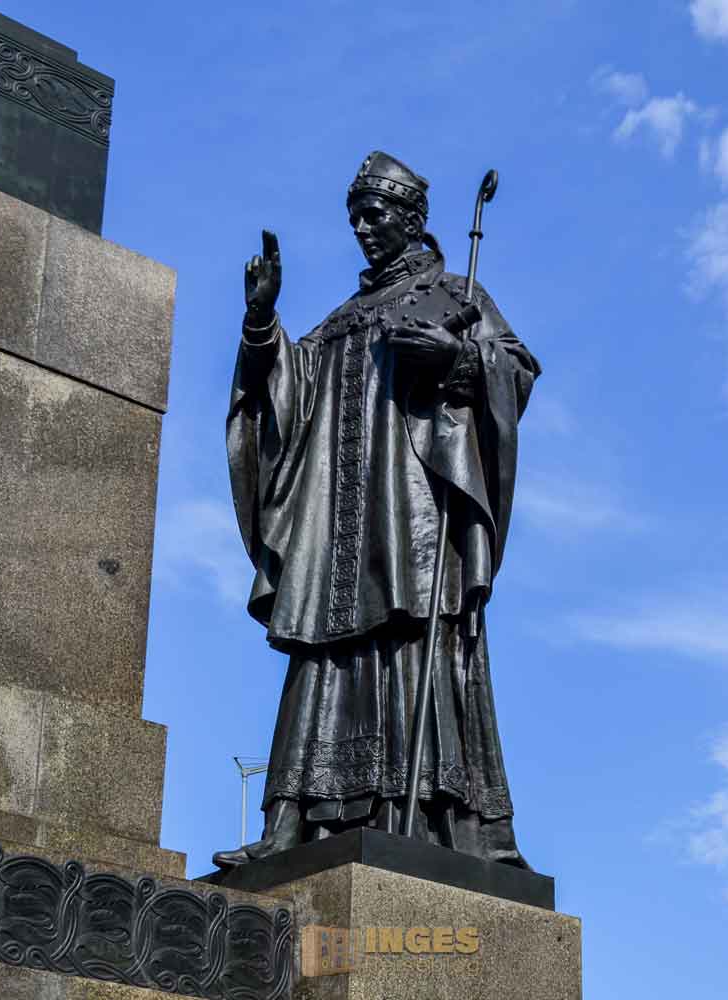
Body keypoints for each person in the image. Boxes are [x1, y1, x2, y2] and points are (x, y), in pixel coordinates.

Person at [213, 151, 538, 869]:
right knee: (323, 657)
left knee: (413, 647)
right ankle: (292, 824)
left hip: (413, 520)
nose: (362, 227)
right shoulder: (340, 322)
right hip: (340, 529)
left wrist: (456, 359)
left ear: (413, 218)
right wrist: (263, 324)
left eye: (375, 214)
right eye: (355, 216)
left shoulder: (457, 295)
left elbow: (513, 368)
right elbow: (288, 395)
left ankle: (429, 816)